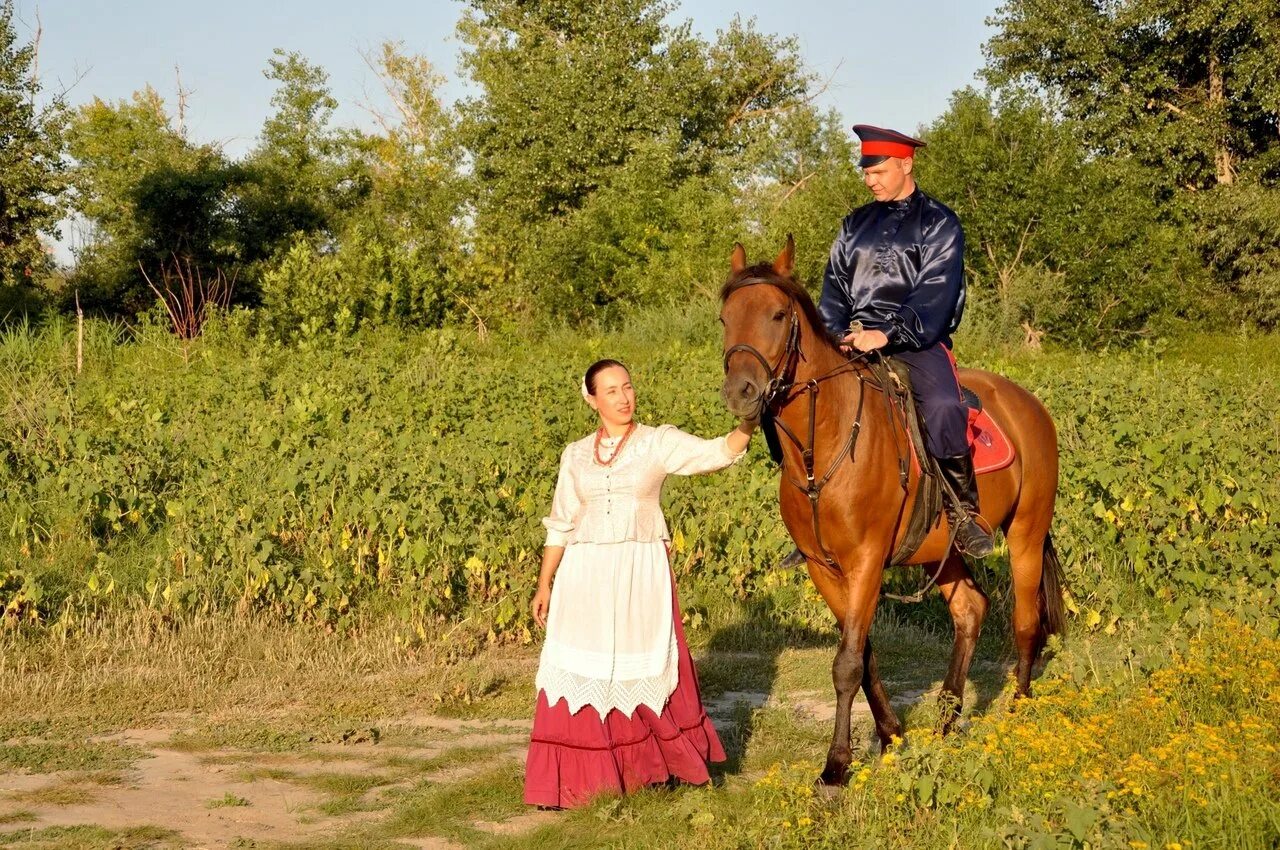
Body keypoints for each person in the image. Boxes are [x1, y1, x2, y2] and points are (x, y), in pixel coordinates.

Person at [523, 359, 754, 809]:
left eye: (627, 387)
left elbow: (716, 452)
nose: (623, 398)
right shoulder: (574, 455)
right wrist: (544, 583)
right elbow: (561, 523)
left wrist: (750, 420)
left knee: (640, 663)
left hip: (638, 569)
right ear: (591, 398)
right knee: (584, 668)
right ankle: (578, 780)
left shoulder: (656, 442)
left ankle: (650, 767)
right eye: (611, 391)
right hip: (583, 576)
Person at [817, 124, 993, 558]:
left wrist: (887, 332)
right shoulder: (853, 224)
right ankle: (813, 520)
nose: (869, 179)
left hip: (918, 341)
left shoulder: (939, 223)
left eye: (878, 170)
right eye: (866, 172)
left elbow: (935, 293)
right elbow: (834, 289)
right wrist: (837, 333)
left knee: (944, 406)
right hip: (854, 341)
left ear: (906, 164)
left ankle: (963, 512)